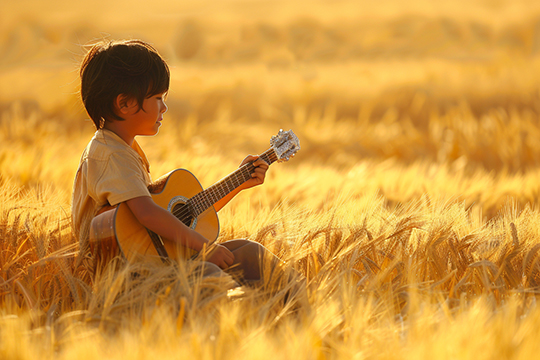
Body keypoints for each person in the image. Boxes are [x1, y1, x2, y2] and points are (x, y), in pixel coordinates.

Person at [71, 39, 277, 284]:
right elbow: (148, 214)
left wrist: (239, 182)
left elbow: (181, 215)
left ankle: (297, 310)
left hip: (154, 261)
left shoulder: (124, 149)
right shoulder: (109, 154)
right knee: (211, 276)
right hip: (128, 274)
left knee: (249, 251)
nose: (164, 107)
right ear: (124, 103)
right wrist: (205, 248)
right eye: (157, 98)